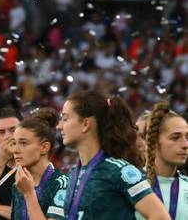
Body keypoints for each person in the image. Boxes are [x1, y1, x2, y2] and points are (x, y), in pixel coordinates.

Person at [56, 90, 170, 220]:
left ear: (85, 124)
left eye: (65, 118)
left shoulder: (119, 171)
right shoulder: (72, 174)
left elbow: (160, 216)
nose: (59, 126)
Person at [11, 108, 69, 220]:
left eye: (23, 143)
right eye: (14, 143)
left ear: (44, 147)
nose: (15, 150)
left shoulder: (62, 184)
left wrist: (29, 194)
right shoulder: (17, 185)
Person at [135, 102, 188, 220]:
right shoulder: (130, 185)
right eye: (175, 137)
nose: (185, 145)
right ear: (155, 141)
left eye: (187, 137)